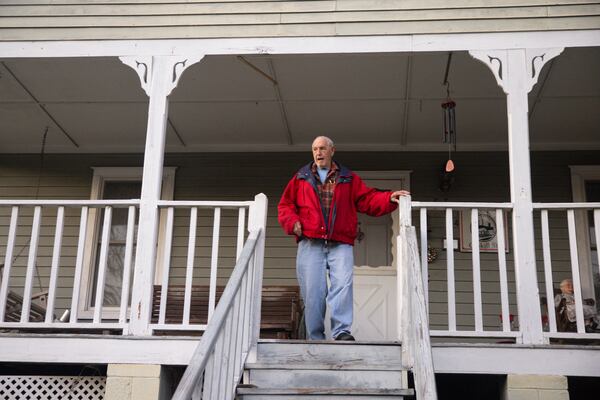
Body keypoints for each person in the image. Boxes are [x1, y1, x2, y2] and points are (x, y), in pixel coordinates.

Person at [278, 136, 410, 340]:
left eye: (322, 148)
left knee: (343, 286)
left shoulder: (348, 178)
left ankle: (341, 332)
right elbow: (286, 205)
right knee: (314, 293)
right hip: (310, 242)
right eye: (314, 149)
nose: (318, 153)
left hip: (340, 243)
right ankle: (315, 337)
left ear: (332, 151)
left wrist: (388, 197)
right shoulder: (301, 177)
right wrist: (292, 222)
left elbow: (367, 199)